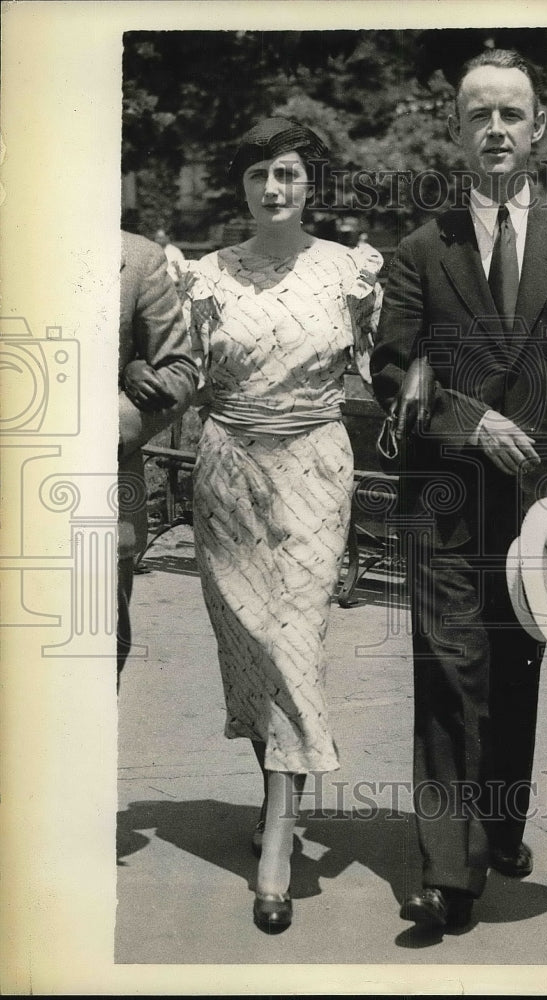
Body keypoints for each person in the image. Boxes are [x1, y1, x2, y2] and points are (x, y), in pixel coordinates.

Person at [370, 48, 547, 930]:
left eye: (511, 114)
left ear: (538, 127)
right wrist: (468, 420)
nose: (496, 130)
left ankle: (501, 824)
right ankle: (452, 874)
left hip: (544, 502)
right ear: (457, 130)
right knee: (448, 669)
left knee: (515, 669)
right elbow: (390, 369)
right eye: (478, 114)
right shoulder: (418, 248)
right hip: (443, 498)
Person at [180, 117, 382, 933]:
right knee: (248, 639)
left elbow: (386, 361)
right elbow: (177, 373)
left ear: (312, 185)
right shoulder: (203, 277)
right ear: (241, 184)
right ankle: (280, 800)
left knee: (295, 635)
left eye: (289, 174)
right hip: (227, 467)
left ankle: (275, 843)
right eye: (259, 172)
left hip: (316, 466)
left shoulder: (349, 272)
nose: (274, 187)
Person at [118, 230, 199, 690]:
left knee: (94, 654)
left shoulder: (136, 258)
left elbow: (178, 371)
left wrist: (111, 427)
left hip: (97, 493)